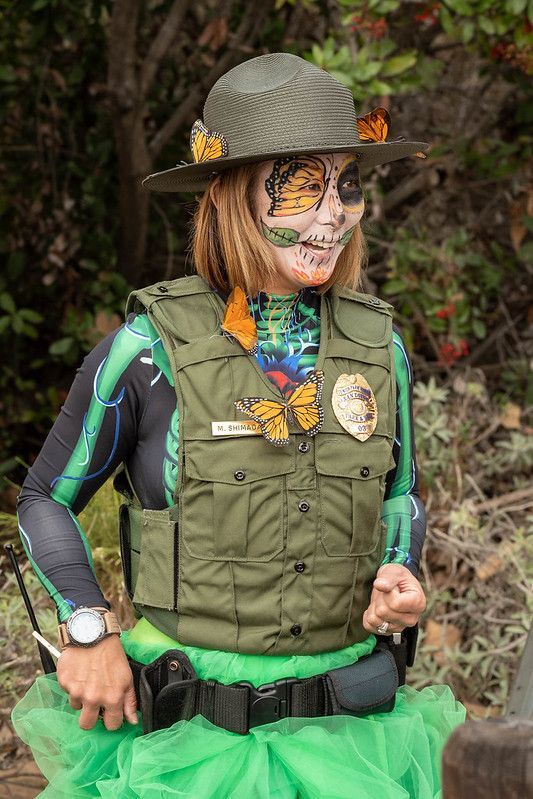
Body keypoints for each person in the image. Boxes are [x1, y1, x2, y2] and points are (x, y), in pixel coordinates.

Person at [12, 52, 465, 798]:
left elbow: (401, 492)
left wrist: (399, 570)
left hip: (352, 738)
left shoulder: (379, 345)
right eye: (299, 185)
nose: (332, 215)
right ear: (229, 197)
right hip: (189, 745)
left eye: (345, 184)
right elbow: (43, 498)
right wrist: (87, 629)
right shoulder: (147, 349)